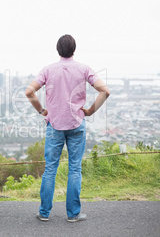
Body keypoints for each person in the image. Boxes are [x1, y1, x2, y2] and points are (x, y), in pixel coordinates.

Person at [25, 34, 110, 222]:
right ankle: (73, 214)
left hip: (54, 124)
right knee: (74, 168)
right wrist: (90, 111)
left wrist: (42, 111)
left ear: (58, 50)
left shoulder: (47, 70)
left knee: (50, 169)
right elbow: (105, 90)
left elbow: (29, 91)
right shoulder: (84, 69)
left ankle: (44, 213)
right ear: (74, 49)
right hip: (77, 123)